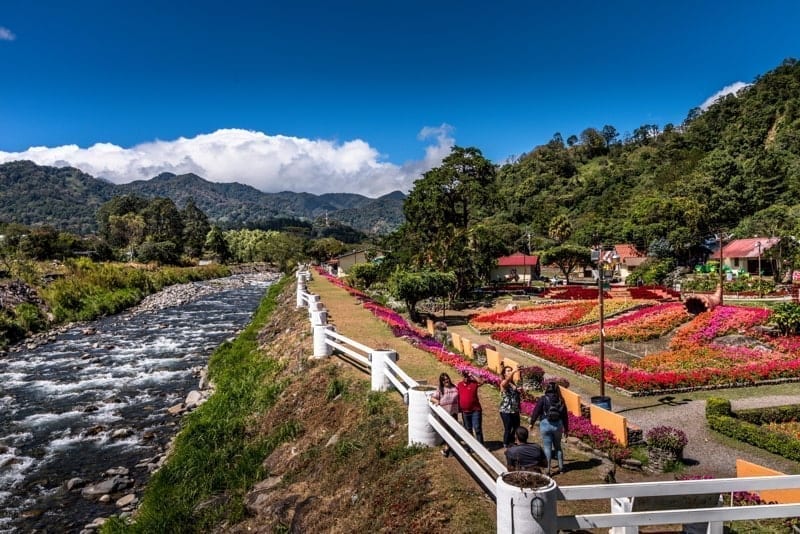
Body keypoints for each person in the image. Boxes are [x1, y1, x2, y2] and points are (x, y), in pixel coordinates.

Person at [529, 381, 569, 475]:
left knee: (547, 447)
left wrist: (532, 423)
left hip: (545, 424)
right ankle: (561, 468)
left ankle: (547, 470)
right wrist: (566, 429)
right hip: (558, 425)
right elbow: (565, 416)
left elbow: (536, 411)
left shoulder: (543, 399)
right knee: (558, 447)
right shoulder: (561, 400)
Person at [430, 372, 459, 457]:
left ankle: (448, 449)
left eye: (447, 378)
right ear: (441, 381)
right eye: (444, 380)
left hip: (454, 413)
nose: (446, 380)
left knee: (453, 432)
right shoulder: (440, 389)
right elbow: (432, 398)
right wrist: (437, 401)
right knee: (448, 432)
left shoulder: (455, 387)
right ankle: (447, 449)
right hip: (445, 415)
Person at [456, 369, 485, 444]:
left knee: (477, 429)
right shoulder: (459, 385)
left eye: (467, 376)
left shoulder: (474, 383)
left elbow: (481, 382)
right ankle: (471, 445)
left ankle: (480, 446)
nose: (466, 378)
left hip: (475, 410)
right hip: (465, 412)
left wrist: (471, 374)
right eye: (464, 376)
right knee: (468, 430)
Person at [499, 365, 522, 448]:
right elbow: (505, 383)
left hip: (514, 410)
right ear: (504, 374)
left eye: (510, 370)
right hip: (506, 410)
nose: (510, 372)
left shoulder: (513, 384)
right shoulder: (503, 382)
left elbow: (516, 396)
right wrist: (514, 371)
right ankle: (506, 444)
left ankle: (512, 441)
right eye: (508, 371)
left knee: (517, 427)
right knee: (508, 428)